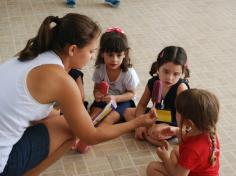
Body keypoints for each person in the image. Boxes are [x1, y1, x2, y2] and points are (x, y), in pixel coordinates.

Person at [0, 13, 156, 176]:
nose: (93, 57)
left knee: (64, 118)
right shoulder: (62, 80)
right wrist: (136, 122)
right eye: (91, 51)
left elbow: (36, 111)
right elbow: (90, 136)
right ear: (73, 49)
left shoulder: (30, 55)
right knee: (72, 128)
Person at [124, 46, 190, 146]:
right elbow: (141, 105)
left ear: (182, 73)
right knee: (128, 112)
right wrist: (139, 125)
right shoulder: (153, 82)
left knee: (157, 131)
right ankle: (152, 137)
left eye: (176, 74)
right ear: (158, 67)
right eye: (166, 71)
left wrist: (180, 132)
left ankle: (152, 136)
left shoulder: (181, 88)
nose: (170, 78)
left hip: (172, 122)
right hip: (155, 115)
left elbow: (181, 117)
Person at [146, 88, 220, 176]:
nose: (175, 113)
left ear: (188, 122)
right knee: (175, 151)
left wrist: (165, 157)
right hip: (201, 170)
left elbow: (178, 175)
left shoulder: (192, 149)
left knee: (153, 167)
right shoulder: (209, 131)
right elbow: (188, 142)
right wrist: (176, 131)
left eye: (177, 111)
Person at [90, 27, 140, 126]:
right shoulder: (100, 68)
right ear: (102, 54)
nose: (114, 60)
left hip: (124, 101)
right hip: (105, 99)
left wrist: (115, 98)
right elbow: (96, 88)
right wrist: (97, 94)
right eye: (110, 55)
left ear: (125, 54)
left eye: (118, 55)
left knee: (107, 120)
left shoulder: (128, 73)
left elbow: (131, 94)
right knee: (92, 118)